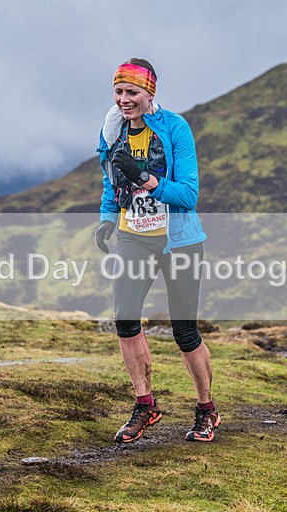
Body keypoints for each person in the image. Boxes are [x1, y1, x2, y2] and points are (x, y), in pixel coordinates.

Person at [94, 58, 220, 443]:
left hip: (178, 238)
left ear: (150, 93)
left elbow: (189, 194)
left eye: (132, 92)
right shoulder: (111, 131)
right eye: (118, 92)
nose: (124, 100)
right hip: (134, 237)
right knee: (125, 321)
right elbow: (110, 182)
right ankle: (145, 405)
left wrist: (145, 177)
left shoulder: (176, 129)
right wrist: (107, 218)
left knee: (184, 330)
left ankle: (206, 410)